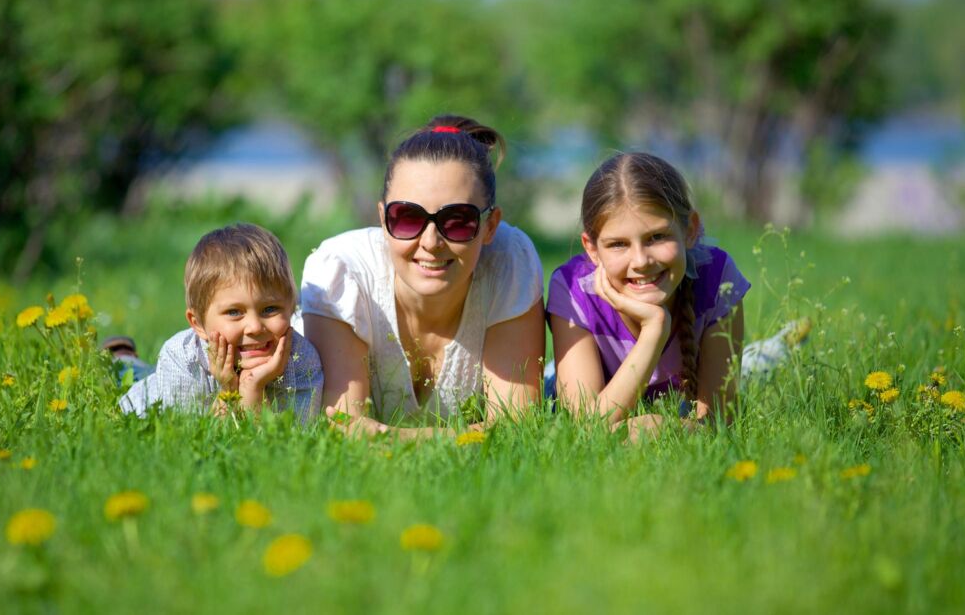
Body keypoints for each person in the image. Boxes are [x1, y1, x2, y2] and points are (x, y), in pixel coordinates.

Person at [297, 115, 545, 438]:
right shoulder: (342, 273)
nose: (430, 242)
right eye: (408, 218)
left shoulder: (510, 262)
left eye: (457, 220)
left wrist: (391, 437)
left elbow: (517, 429)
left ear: (490, 227)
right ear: (383, 220)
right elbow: (344, 431)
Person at [547, 152, 752, 441]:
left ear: (690, 229)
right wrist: (653, 330)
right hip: (562, 383)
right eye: (618, 244)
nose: (641, 261)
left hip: (675, 397)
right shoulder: (572, 289)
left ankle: (772, 353)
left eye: (656, 237)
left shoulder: (717, 277)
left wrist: (664, 427)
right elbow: (585, 428)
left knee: (758, 369)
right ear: (591, 248)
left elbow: (720, 424)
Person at [118, 223, 323, 422]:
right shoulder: (181, 358)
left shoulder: (302, 360)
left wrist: (252, 388)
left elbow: (285, 439)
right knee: (125, 374)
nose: (254, 327)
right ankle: (123, 360)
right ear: (197, 324)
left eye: (270, 309)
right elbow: (195, 441)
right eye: (234, 312)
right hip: (150, 395)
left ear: (291, 308)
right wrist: (228, 390)